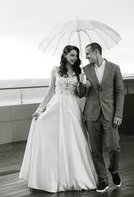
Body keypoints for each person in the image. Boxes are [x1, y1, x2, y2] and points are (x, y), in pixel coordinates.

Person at [19, 45, 97, 193]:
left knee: (74, 141)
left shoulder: (79, 72)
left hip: (73, 108)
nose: (74, 58)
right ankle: (53, 176)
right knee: (50, 135)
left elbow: (81, 94)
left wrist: (83, 84)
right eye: (72, 55)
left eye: (76, 55)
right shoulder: (56, 70)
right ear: (65, 55)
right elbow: (50, 91)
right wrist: (40, 109)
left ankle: (76, 176)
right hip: (57, 106)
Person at [77, 43, 124, 193]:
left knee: (114, 147)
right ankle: (102, 179)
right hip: (91, 114)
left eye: (88, 54)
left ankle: (114, 170)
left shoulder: (114, 68)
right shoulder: (84, 70)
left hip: (110, 115)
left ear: (97, 52)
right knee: (96, 150)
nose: (86, 57)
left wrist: (118, 114)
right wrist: (83, 84)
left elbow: (119, 92)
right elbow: (81, 94)